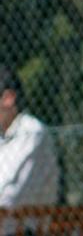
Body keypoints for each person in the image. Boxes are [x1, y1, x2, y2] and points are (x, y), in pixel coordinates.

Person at [0, 65, 59, 208]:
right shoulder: (3, 135)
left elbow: (9, 195)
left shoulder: (31, 131)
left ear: (8, 99)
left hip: (24, 227)